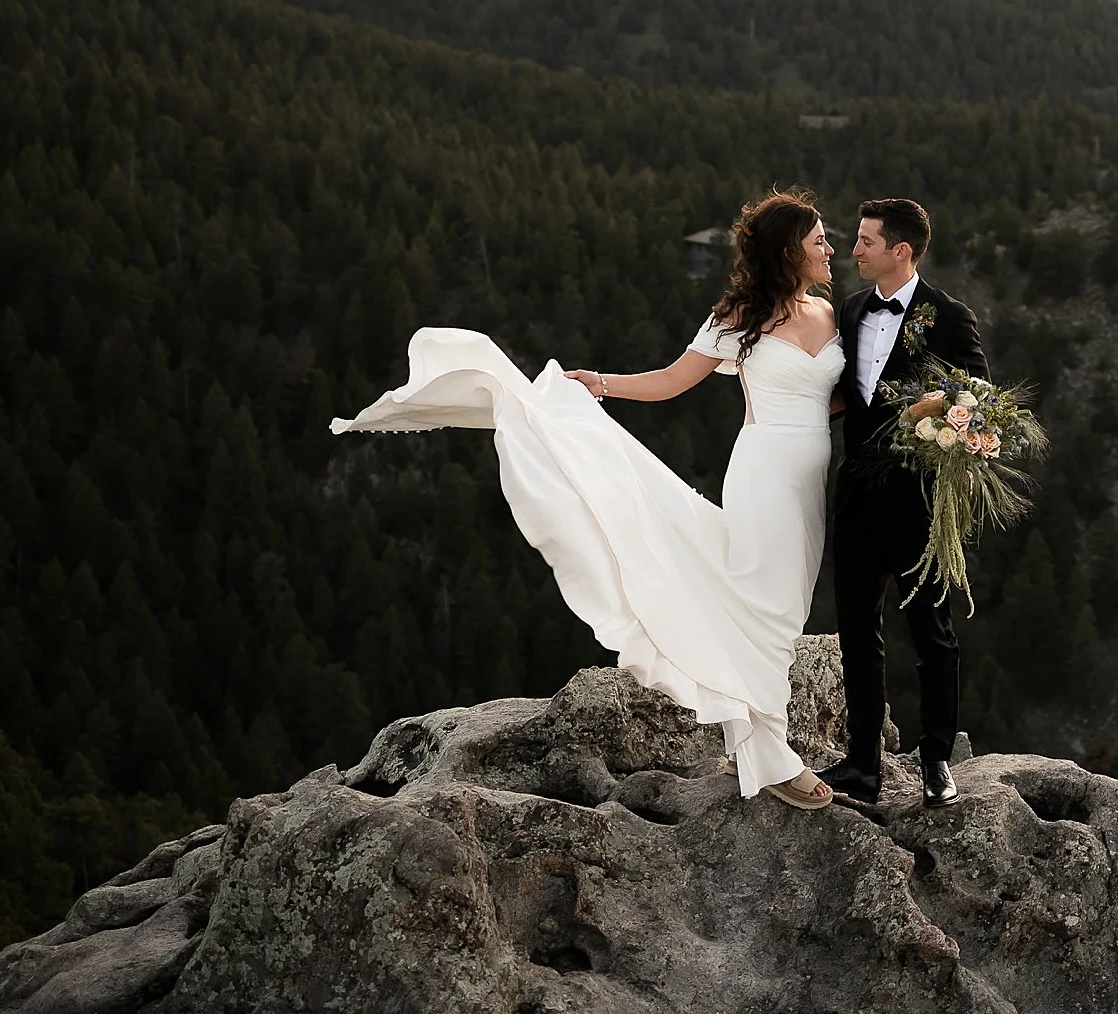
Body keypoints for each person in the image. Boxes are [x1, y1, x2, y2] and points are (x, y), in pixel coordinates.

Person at [331, 190, 841, 810]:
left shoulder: (831, 316)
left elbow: (836, 396)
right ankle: (772, 755)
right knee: (773, 613)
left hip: (810, 480)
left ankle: (752, 738)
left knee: (783, 603)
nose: (829, 249)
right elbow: (670, 382)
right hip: (762, 474)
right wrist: (600, 384)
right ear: (789, 250)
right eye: (819, 240)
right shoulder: (739, 317)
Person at [823, 197, 989, 809]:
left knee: (932, 632)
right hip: (856, 492)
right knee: (857, 632)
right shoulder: (851, 309)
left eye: (866, 240)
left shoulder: (948, 315)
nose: (855, 249)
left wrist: (936, 416)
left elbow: (979, 396)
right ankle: (862, 763)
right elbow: (847, 393)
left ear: (901, 251)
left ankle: (937, 759)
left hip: (918, 503)